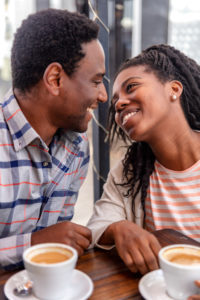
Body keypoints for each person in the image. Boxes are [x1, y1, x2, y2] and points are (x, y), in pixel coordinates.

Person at [0, 8, 107, 269]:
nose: (103, 95)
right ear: (55, 79)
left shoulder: (77, 148)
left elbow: (59, 247)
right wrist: (33, 243)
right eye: (96, 81)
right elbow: (47, 243)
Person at [87, 44, 200, 277]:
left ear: (174, 89)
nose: (119, 104)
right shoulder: (128, 172)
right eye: (115, 103)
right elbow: (96, 227)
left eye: (131, 87)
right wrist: (119, 228)